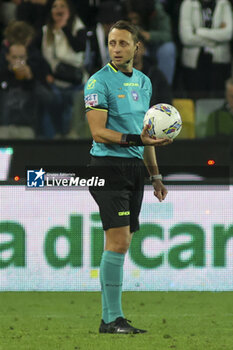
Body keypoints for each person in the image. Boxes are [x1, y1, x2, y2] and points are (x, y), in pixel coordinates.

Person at [84, 20, 172, 334]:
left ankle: (110, 320)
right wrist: (139, 141)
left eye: (123, 43)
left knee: (121, 243)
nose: (117, 49)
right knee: (119, 242)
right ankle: (111, 319)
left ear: (137, 47)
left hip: (135, 169)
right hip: (107, 167)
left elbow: (145, 136)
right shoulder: (98, 83)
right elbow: (98, 132)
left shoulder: (145, 83)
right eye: (112, 43)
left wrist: (156, 176)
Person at [179, 0, 233, 98]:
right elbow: (186, 38)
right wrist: (216, 38)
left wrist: (199, 31)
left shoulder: (224, 3)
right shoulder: (188, 4)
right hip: (194, 62)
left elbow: (228, 34)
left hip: (219, 61)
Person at [124, 0, 176, 86]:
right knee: (138, 51)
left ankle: (164, 87)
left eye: (136, 19)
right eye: (131, 19)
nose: (133, 22)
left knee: (168, 49)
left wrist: (150, 35)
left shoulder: (156, 10)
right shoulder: (126, 8)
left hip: (156, 45)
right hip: (138, 46)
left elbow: (168, 35)